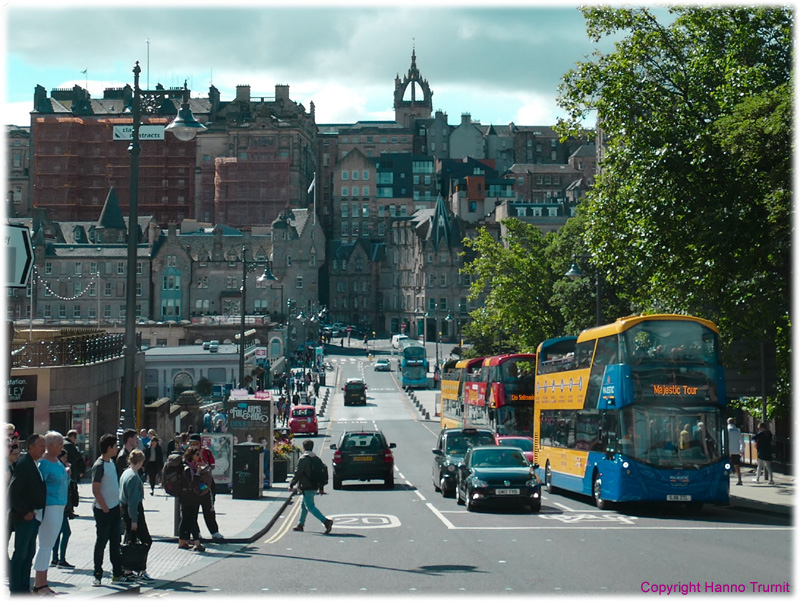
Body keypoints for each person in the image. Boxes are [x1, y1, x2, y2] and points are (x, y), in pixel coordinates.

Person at [7, 433, 47, 593]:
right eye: (40, 446)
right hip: (25, 517)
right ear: (30, 447)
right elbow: (13, 493)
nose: (43, 450)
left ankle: (24, 587)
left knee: (29, 553)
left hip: (34, 517)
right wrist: (25, 512)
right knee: (21, 554)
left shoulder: (34, 464)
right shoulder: (24, 465)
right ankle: (16, 588)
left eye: (44, 446)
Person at [31, 431, 69, 595]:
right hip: (50, 506)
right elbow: (39, 486)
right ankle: (40, 584)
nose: (62, 446)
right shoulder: (44, 463)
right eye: (59, 443)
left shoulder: (57, 461)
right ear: (50, 445)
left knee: (49, 544)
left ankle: (43, 582)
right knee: (46, 545)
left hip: (59, 506)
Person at [91, 433, 131, 586]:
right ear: (109, 448)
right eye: (115, 446)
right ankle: (97, 574)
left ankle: (117, 574)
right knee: (101, 542)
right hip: (103, 511)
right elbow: (96, 489)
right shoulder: (99, 465)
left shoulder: (111, 463)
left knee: (115, 542)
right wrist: (105, 507)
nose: (117, 448)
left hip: (115, 508)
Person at [119, 449, 154, 584]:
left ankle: (128, 570)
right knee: (146, 540)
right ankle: (141, 570)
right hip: (134, 511)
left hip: (125, 508)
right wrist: (134, 519)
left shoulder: (126, 473)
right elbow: (133, 501)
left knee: (131, 542)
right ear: (139, 462)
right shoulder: (134, 477)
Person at [289, 440, 333, 534]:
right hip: (315, 485)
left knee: (310, 506)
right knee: (303, 505)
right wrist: (321, 487)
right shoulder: (317, 459)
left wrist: (292, 483)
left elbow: (298, 472)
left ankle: (326, 521)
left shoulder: (303, 459)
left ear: (304, 447)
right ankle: (300, 525)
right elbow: (321, 474)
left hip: (307, 485)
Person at [188, 434, 223, 539]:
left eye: (196, 444)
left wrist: (206, 467)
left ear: (200, 443)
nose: (194, 446)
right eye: (192, 444)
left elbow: (212, 464)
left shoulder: (207, 452)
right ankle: (196, 533)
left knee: (209, 509)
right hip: (194, 482)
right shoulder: (188, 453)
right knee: (193, 510)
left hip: (206, 483)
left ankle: (214, 531)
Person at [177, 447, 207, 551]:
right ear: (191, 455)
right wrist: (198, 473)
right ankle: (196, 542)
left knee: (187, 519)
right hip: (188, 497)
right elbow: (191, 484)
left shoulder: (192, 467)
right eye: (197, 455)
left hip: (191, 497)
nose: (199, 457)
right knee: (191, 519)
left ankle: (182, 541)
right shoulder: (186, 468)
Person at [51, 449, 76, 569]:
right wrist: (68, 474)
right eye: (65, 458)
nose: (66, 460)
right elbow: (64, 486)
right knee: (66, 532)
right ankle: (61, 559)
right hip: (60, 506)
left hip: (59, 505)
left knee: (57, 532)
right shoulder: (61, 469)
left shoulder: (59, 467)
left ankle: (55, 558)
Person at [727, 417, 744, 485]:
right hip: (736, 451)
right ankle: (739, 480)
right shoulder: (737, 430)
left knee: (726, 466)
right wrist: (741, 450)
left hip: (728, 451)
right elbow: (742, 442)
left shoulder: (726, 430)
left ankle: (726, 479)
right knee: (737, 466)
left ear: (728, 423)